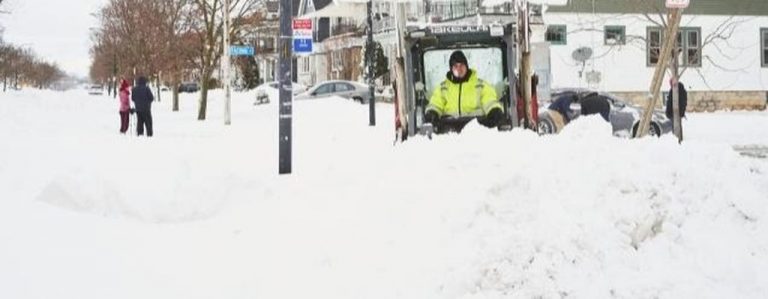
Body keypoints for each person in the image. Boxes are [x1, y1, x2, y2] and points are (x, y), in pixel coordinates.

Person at [424, 50, 504, 133]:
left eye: (461, 65)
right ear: (451, 68)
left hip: (477, 128)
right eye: (455, 66)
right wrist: (432, 114)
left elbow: (489, 101)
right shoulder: (443, 88)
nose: (459, 69)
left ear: (466, 66)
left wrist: (494, 111)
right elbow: (436, 104)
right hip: (449, 130)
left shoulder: (480, 86)